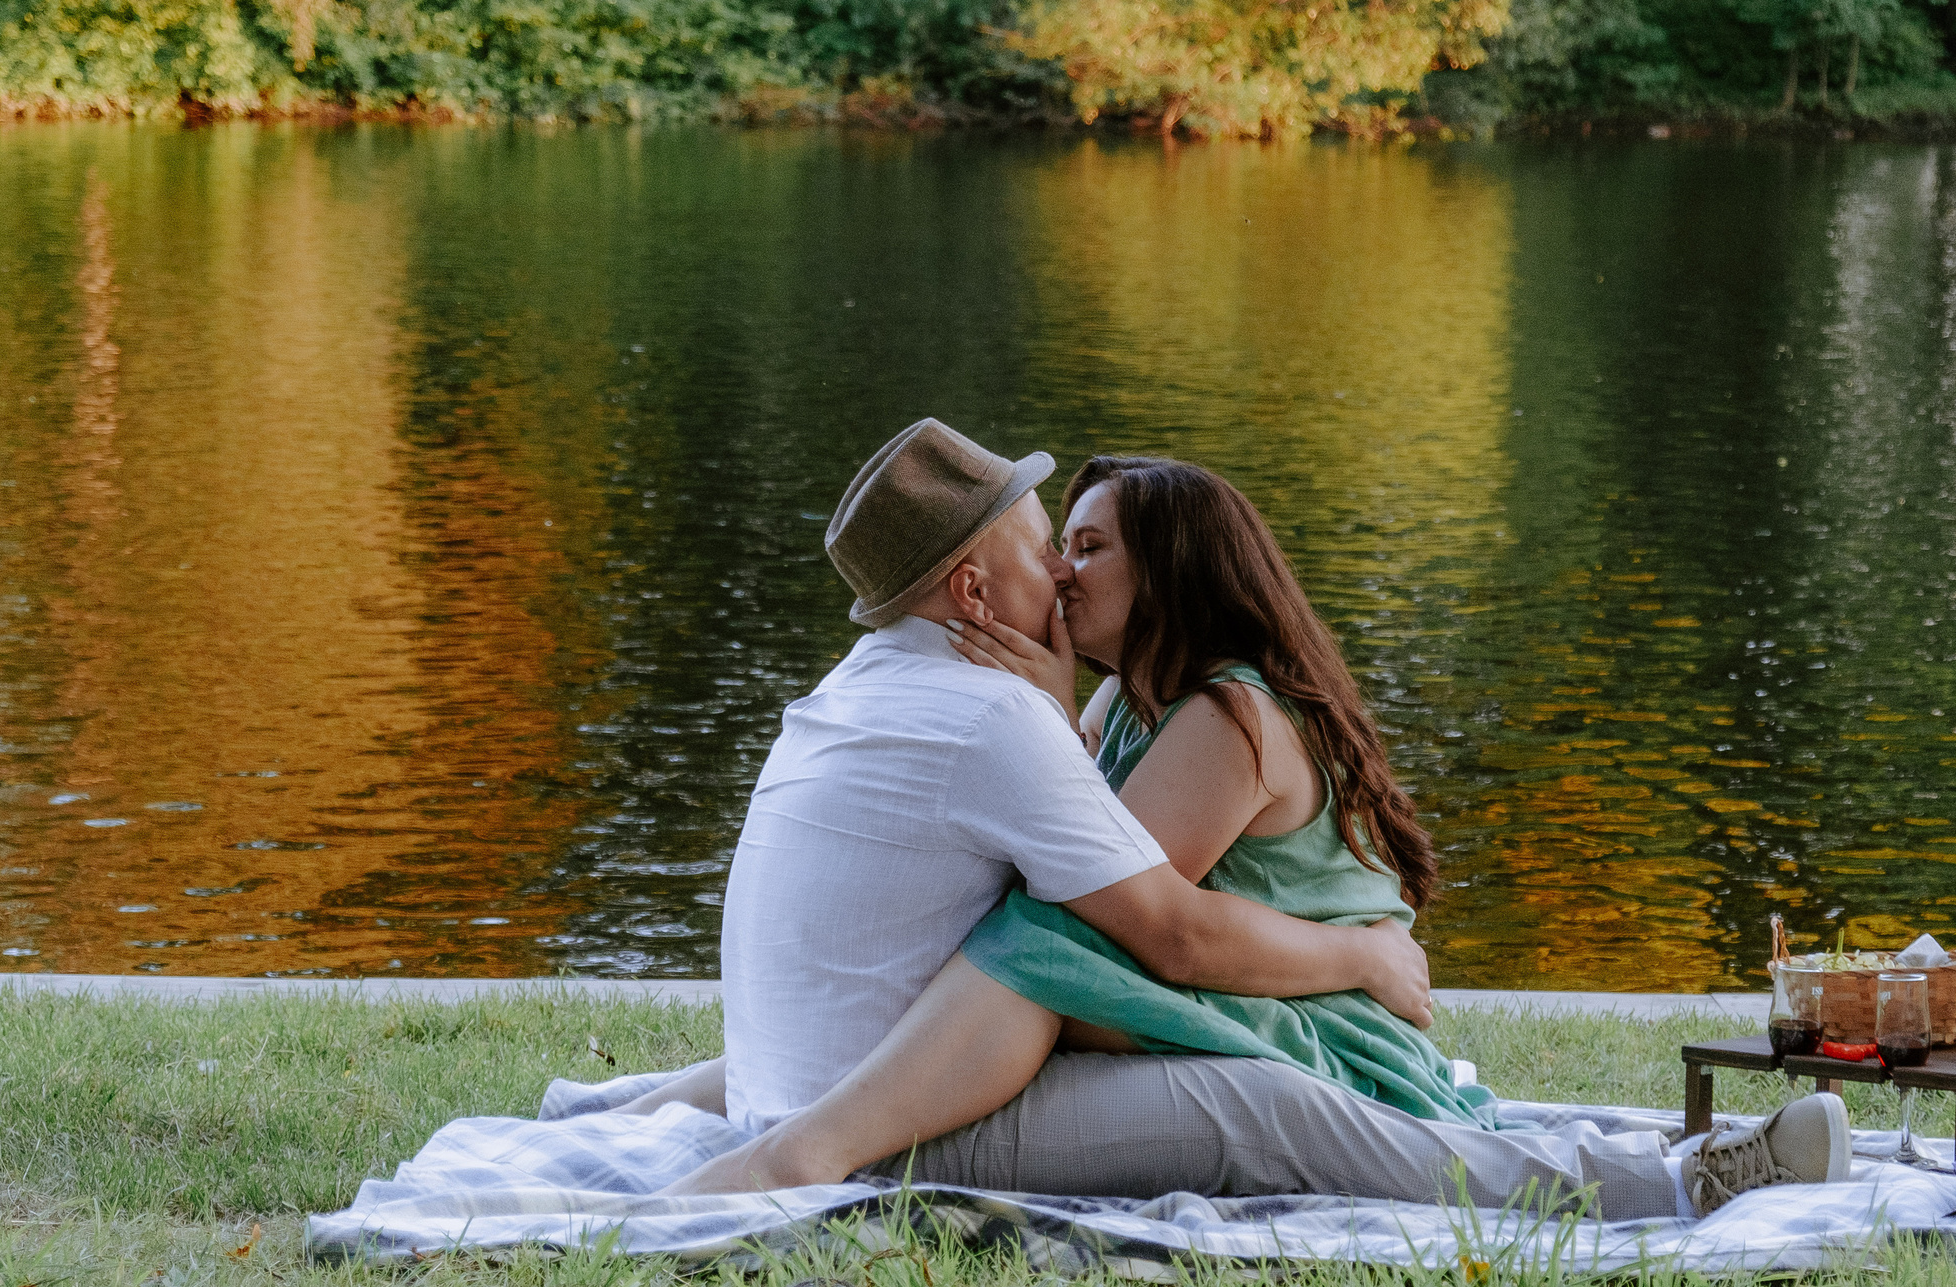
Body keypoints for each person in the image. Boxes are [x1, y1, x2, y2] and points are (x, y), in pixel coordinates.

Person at [647, 418, 1848, 1216]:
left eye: (1084, 550)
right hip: (889, 1122)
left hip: (852, 1086)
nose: (1059, 579)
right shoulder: (1018, 718)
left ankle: (1660, 1172)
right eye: (1042, 547)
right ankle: (1671, 1183)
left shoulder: (859, 695)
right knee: (1238, 1096)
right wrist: (1369, 955)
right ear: (970, 588)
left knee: (1123, 1001)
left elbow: (1134, 934)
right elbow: (1163, 937)